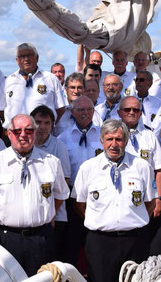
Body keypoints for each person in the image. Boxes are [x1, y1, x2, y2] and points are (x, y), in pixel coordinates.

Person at [0, 114, 69, 276]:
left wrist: (44, 216)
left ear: (35, 132)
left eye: (28, 130)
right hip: (6, 240)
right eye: (17, 131)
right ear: (9, 133)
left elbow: (60, 196)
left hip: (41, 239)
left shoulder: (51, 162)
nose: (23, 135)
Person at [72, 119, 155, 282]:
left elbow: (150, 203)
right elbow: (79, 205)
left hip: (135, 240)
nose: (114, 144)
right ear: (102, 141)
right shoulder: (88, 168)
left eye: (119, 139)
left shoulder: (141, 166)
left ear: (125, 141)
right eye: (110, 139)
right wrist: (102, 221)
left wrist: (130, 221)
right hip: (100, 242)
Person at [57, 96, 103, 267]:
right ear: (73, 113)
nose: (85, 113)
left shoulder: (103, 135)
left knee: (96, 245)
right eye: (81, 110)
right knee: (71, 244)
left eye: (89, 109)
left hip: (98, 198)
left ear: (93, 111)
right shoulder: (63, 138)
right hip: (72, 198)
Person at [30, 105, 72, 260]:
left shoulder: (58, 146)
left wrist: (51, 214)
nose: (42, 127)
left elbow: (64, 181)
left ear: (53, 125)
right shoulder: (24, 143)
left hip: (55, 216)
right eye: (38, 122)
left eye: (47, 123)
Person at [118, 97, 161, 218]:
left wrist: (159, 198)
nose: (131, 112)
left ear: (140, 113)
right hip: (120, 195)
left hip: (147, 197)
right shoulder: (112, 136)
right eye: (127, 109)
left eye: (135, 110)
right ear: (119, 112)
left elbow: (159, 170)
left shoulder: (150, 136)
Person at [3, 43, 66, 127]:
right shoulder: (8, 81)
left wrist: (48, 126)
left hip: (42, 134)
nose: (26, 59)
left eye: (30, 55)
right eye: (22, 56)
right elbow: (1, 110)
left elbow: (60, 108)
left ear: (37, 57)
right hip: (16, 134)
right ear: (17, 60)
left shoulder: (51, 79)